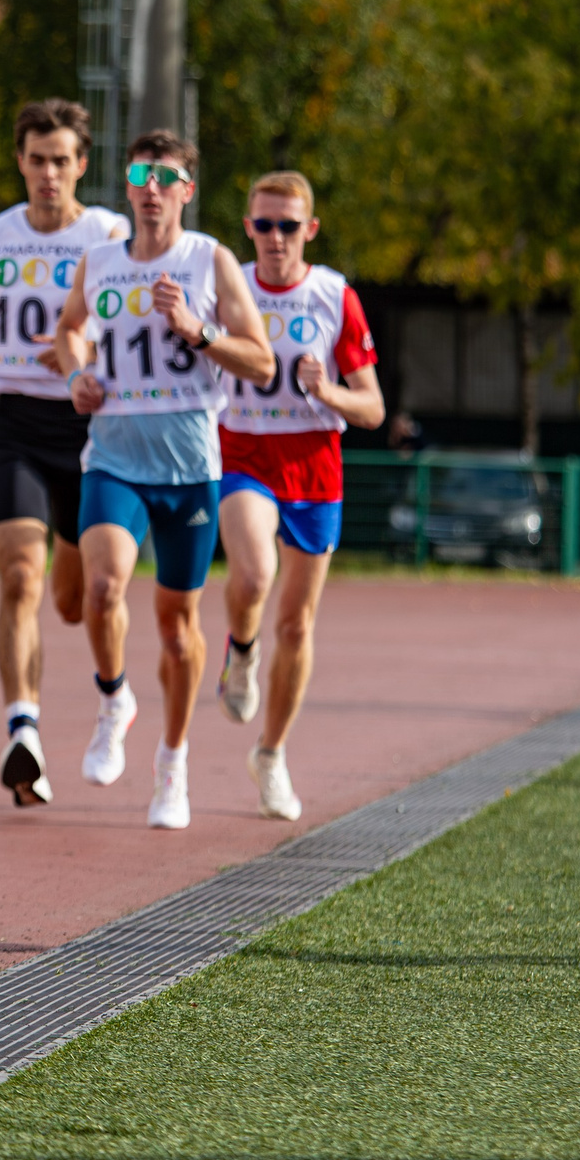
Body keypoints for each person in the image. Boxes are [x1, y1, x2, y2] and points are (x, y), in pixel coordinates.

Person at [50, 131, 272, 829]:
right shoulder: (101, 260)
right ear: (127, 184)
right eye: (140, 173)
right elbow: (67, 331)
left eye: (165, 175)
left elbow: (261, 363)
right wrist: (76, 373)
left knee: (178, 630)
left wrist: (196, 329)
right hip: (115, 457)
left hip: (189, 469)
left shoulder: (210, 260)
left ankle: (172, 761)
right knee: (103, 584)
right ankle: (114, 696)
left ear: (186, 189)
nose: (150, 187)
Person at [0, 100, 126, 806]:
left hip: (89, 427)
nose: (48, 173)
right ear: (21, 160)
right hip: (16, 423)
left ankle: (100, 697)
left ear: (81, 165)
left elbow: (125, 316)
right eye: (37, 159)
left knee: (74, 601)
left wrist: (82, 349)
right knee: (19, 579)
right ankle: (25, 731)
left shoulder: (108, 233)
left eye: (61, 160)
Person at [212, 171, 383, 822]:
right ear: (248, 227)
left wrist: (328, 391)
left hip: (315, 462)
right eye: (263, 224)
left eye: (288, 225)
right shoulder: (228, 290)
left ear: (309, 229)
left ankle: (271, 754)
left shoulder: (334, 295)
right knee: (254, 574)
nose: (275, 237)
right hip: (245, 450)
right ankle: (241, 649)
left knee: (298, 623)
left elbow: (372, 405)